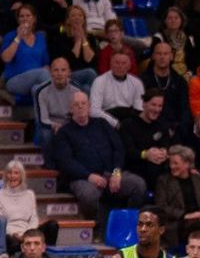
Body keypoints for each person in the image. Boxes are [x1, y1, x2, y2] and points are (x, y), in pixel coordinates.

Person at [49, 90, 147, 226]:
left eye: (83, 103)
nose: (80, 107)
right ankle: (96, 227)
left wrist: (116, 172)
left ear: (89, 106)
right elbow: (66, 162)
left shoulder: (102, 124)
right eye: (76, 104)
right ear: (71, 109)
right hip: (83, 178)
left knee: (138, 184)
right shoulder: (64, 133)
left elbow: (118, 148)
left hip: (111, 173)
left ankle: (128, 224)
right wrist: (89, 176)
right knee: (89, 195)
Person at [0, 159, 57, 253]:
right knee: (12, 241)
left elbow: (33, 219)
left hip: (28, 231)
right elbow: (0, 223)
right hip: (10, 234)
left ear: (21, 176)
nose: (13, 176)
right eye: (10, 173)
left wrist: (27, 234)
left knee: (52, 225)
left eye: (16, 173)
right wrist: (14, 234)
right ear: (5, 175)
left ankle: (47, 256)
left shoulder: (29, 194)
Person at [120, 89, 177, 193]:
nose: (157, 109)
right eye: (153, 105)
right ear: (144, 104)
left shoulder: (162, 123)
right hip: (136, 167)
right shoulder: (128, 124)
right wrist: (145, 154)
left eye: (160, 106)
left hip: (159, 166)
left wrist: (164, 151)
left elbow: (167, 143)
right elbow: (128, 152)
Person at [154, 145, 200, 250]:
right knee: (199, 221)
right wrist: (184, 215)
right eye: (170, 163)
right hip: (177, 223)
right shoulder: (164, 181)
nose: (172, 166)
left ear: (187, 164)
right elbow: (161, 207)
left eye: (175, 163)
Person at [0, 4, 51, 97]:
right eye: (21, 16)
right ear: (18, 19)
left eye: (28, 16)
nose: (25, 19)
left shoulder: (40, 38)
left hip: (37, 79)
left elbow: (45, 63)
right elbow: (6, 58)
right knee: (42, 73)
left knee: (37, 89)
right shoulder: (10, 36)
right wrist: (18, 37)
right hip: (15, 80)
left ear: (34, 19)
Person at [141, 42, 192, 130]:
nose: (162, 57)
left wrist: (181, 128)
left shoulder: (180, 81)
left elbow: (185, 109)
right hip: (149, 127)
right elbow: (140, 107)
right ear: (153, 56)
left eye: (165, 54)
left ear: (171, 56)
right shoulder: (143, 80)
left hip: (176, 127)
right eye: (159, 53)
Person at [46, 5, 98, 90]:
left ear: (84, 19)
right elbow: (70, 62)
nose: (77, 18)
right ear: (68, 20)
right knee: (90, 73)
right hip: (69, 75)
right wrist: (78, 41)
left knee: (86, 88)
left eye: (80, 15)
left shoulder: (90, 38)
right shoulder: (61, 38)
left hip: (86, 76)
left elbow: (89, 59)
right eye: (73, 15)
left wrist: (83, 38)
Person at [35, 57, 82, 150]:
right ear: (51, 73)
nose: (59, 74)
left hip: (69, 125)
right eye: (56, 70)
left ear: (69, 72)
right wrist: (55, 125)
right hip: (49, 126)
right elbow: (43, 119)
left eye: (63, 70)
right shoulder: (41, 91)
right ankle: (49, 159)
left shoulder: (77, 90)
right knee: (46, 134)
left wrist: (66, 127)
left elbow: (78, 116)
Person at [150, 7, 197, 81]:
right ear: (165, 21)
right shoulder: (159, 38)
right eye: (170, 18)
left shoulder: (188, 38)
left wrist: (189, 74)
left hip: (187, 75)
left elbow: (193, 61)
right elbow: (156, 61)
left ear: (181, 20)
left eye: (176, 18)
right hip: (166, 74)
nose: (173, 21)